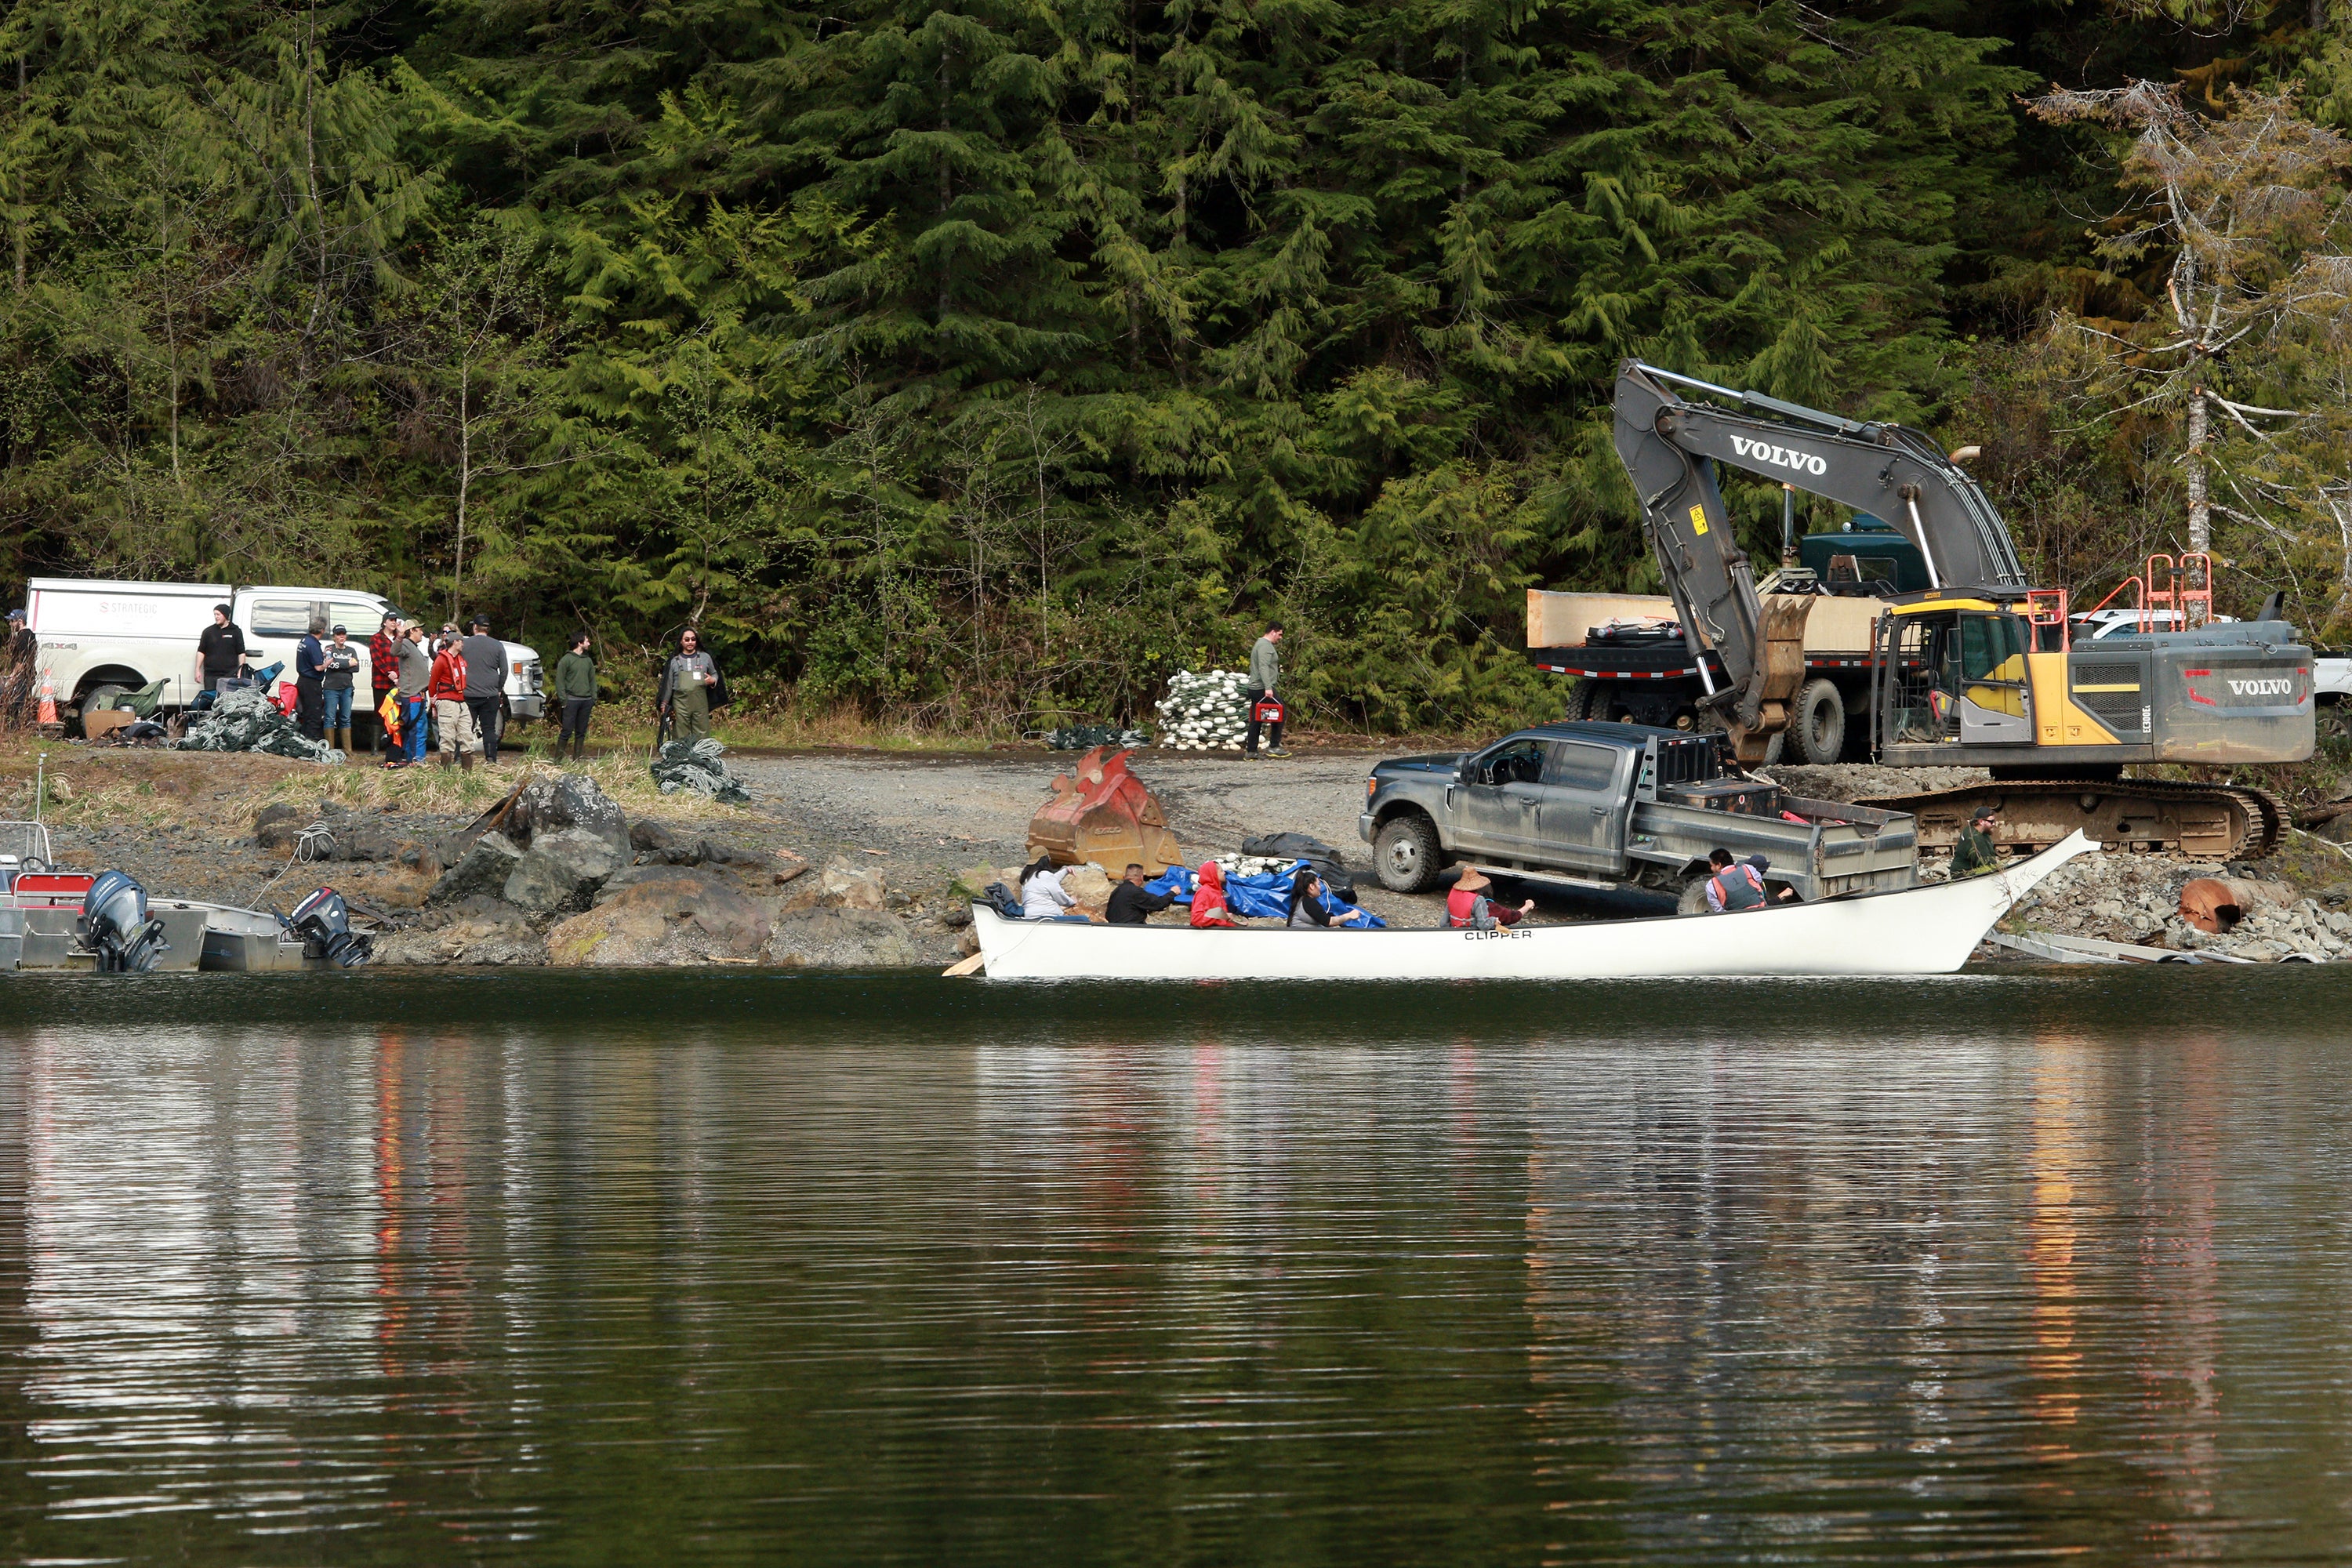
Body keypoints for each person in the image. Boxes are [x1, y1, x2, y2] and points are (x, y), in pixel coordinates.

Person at [430, 625, 481, 770]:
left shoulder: (460, 659)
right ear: (455, 642)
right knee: (447, 737)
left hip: (461, 701)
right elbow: (433, 683)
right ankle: (446, 774)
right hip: (446, 701)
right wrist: (434, 705)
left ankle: (467, 774)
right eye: (461, 641)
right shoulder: (441, 660)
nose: (463, 644)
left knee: (466, 735)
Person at [658, 627, 722, 742]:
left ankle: (701, 757)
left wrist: (713, 680)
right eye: (687, 640)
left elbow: (715, 674)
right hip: (680, 703)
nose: (690, 642)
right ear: (681, 642)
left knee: (702, 733)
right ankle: (682, 757)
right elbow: (668, 684)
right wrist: (664, 704)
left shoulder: (705, 658)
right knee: (680, 733)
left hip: (700, 702)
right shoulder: (674, 661)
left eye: (693, 639)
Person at [461, 615, 510, 764]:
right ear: (487, 629)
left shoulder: (465, 644)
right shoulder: (497, 645)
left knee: (465, 727)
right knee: (489, 728)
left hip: (468, 692)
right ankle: (490, 758)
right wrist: (498, 687)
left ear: (475, 627)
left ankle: (461, 758)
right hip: (489, 693)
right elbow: (505, 670)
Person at [1243, 622, 1288, 759]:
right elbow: (1263, 667)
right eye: (1279, 634)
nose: (1280, 638)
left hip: (1256, 688)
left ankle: (1251, 751)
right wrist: (1268, 688)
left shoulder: (1260, 643)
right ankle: (1274, 746)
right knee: (1281, 712)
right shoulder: (1265, 646)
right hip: (1262, 688)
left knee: (1257, 719)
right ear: (1273, 632)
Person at [394, 622, 433, 768]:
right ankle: (417, 761)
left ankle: (414, 759)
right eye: (420, 630)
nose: (422, 633)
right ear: (412, 631)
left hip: (418, 695)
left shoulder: (413, 647)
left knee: (416, 730)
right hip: (412, 696)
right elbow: (394, 650)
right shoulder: (404, 644)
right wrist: (400, 636)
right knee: (417, 730)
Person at [554, 633, 597, 760]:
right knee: (566, 731)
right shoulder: (566, 660)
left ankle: (577, 760)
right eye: (587, 641)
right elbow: (560, 681)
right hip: (571, 700)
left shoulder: (588, 661)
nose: (589, 643)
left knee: (581, 732)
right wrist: (563, 699)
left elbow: (592, 680)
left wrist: (593, 698)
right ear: (580, 643)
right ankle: (557, 761)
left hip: (586, 700)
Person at [319, 624, 361, 753]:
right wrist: (347, 664)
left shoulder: (351, 650)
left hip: (347, 688)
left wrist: (340, 664)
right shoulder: (329, 649)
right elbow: (330, 664)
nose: (341, 636)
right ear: (334, 637)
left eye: (343, 634)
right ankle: (330, 751)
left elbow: (356, 668)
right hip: (331, 688)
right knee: (330, 718)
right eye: (339, 634)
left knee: (346, 718)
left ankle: (348, 751)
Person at [1447, 865, 1533, 928]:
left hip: (1456, 931)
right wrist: (1493, 921)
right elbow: (1484, 925)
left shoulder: (1454, 896)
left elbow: (1443, 923)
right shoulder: (1480, 901)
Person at [1288, 867, 1370, 927]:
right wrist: (1349, 915)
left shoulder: (1301, 900)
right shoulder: (1308, 902)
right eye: (1318, 884)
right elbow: (1328, 922)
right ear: (1312, 886)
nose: (1320, 887)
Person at [368, 611, 402, 758]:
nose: (393, 623)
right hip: (381, 682)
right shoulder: (376, 639)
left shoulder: (399, 639)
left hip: (398, 683)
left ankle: (394, 745)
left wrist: (399, 677)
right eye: (390, 620)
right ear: (384, 622)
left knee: (396, 715)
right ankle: (375, 748)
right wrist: (389, 673)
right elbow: (376, 659)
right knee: (379, 713)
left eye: (395, 620)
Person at [194, 604, 247, 693]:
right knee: (211, 701)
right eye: (215, 614)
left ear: (225, 615)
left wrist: (240, 672)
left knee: (226, 702)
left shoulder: (236, 631)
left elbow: (241, 653)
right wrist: (197, 669)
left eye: (218, 614)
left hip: (229, 675)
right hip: (211, 675)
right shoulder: (208, 632)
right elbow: (201, 651)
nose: (216, 617)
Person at [1018, 855, 1089, 922]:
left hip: (1030, 916)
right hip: (1046, 917)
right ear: (1045, 860)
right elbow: (1059, 896)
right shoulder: (1046, 875)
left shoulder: (1027, 877)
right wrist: (1072, 901)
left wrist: (1066, 871)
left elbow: (1050, 881)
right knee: (1083, 919)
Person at [1105, 863, 1175, 926]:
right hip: (1131, 931)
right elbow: (1158, 903)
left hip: (1114, 931)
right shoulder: (1135, 892)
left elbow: (1108, 915)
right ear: (1141, 878)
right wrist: (1173, 893)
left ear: (1124, 877)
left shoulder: (1115, 892)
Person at [294, 616, 328, 741]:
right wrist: (328, 662)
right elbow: (319, 667)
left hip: (302, 680)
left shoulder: (305, 641)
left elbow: (309, 657)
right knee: (314, 713)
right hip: (311, 683)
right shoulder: (313, 644)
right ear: (322, 630)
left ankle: (304, 739)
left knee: (305, 713)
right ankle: (312, 741)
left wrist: (321, 655)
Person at [1703, 848, 1767, 913]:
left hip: (1736, 919)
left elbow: (1720, 912)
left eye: (1712, 865)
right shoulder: (1748, 869)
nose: (1711, 868)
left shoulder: (1712, 885)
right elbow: (1760, 885)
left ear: (1719, 865)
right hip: (1761, 912)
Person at [1, 607, 34, 731]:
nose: (10, 624)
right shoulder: (30, 635)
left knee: (15, 706)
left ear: (20, 621)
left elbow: (22, 660)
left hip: (22, 677)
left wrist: (13, 676)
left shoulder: (23, 637)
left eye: (12, 621)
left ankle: (13, 732)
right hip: (27, 676)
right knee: (18, 705)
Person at [1189, 858, 1241, 927]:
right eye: (1221, 871)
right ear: (1214, 873)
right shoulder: (1204, 892)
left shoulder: (1217, 892)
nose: (1224, 873)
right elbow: (1197, 919)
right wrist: (1221, 916)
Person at [1951, 808, 2002, 878]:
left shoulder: (1972, 830)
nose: (1994, 824)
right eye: (1991, 821)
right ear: (1981, 821)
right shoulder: (1975, 839)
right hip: (1963, 875)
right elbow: (1986, 864)